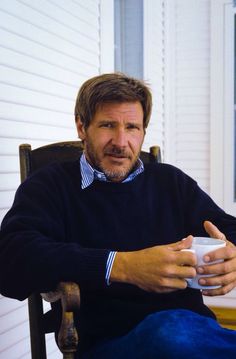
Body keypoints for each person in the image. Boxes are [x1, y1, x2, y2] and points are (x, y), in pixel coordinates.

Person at [0, 72, 236, 359]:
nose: (121, 141)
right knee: (170, 331)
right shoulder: (49, 186)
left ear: (144, 132)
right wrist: (121, 266)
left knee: (178, 331)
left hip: (193, 335)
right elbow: (11, 260)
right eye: (108, 125)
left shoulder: (171, 182)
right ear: (81, 126)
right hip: (110, 344)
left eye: (132, 127)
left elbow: (227, 228)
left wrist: (232, 256)